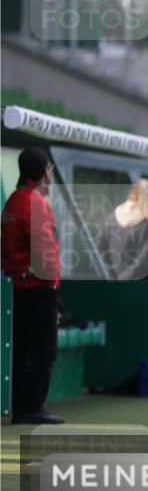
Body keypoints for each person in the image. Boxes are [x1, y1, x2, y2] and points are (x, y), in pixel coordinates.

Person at [1, 148, 64, 424]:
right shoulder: (36, 202)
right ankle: (32, 407)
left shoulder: (13, 201)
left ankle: (20, 406)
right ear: (43, 171)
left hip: (16, 288)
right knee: (44, 350)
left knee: (21, 349)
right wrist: (51, 284)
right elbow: (43, 246)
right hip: (38, 288)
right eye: (49, 167)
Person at [98, 178, 148, 280]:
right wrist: (127, 275)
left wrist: (113, 273)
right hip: (143, 284)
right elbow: (146, 256)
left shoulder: (112, 218)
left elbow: (101, 247)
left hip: (115, 279)